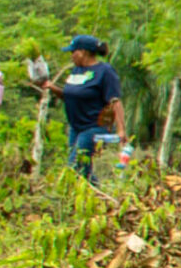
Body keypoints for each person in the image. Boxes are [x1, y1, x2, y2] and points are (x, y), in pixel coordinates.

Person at [36, 35, 125, 180]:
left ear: (84, 52)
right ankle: (98, 197)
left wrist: (121, 130)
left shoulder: (105, 71)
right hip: (76, 127)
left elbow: (115, 100)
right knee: (84, 169)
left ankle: (72, 198)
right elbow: (70, 97)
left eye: (73, 52)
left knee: (74, 166)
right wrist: (53, 87)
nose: (71, 56)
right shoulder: (76, 71)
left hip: (95, 126)